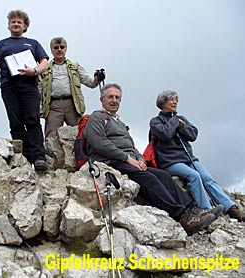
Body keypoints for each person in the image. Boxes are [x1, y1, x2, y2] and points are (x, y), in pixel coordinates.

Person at [84, 83, 221, 235]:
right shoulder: (97, 117)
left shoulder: (120, 123)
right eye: (110, 97)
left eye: (117, 98)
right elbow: (99, 143)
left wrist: (140, 160)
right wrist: (127, 158)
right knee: (148, 178)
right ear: (102, 99)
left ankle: (193, 210)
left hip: (127, 160)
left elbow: (131, 146)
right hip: (111, 161)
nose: (114, 100)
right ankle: (182, 216)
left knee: (163, 175)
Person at [149, 90, 245, 221]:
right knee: (194, 176)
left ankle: (232, 208)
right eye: (171, 99)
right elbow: (165, 134)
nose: (175, 102)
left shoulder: (181, 119)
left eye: (176, 99)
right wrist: (175, 121)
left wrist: (180, 125)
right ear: (163, 102)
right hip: (170, 161)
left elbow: (193, 134)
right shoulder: (155, 121)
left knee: (208, 178)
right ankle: (206, 210)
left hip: (189, 158)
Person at [0, 10, 49, 170]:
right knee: (15, 122)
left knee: (32, 120)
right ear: (9, 25)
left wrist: (35, 71)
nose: (16, 24)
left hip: (29, 85)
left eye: (19, 22)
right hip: (8, 86)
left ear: (25, 26)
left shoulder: (33, 43)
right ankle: (23, 158)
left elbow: (44, 62)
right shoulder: (1, 44)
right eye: (13, 22)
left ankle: (39, 157)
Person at [39, 37, 103, 138]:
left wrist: (97, 78)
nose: (59, 49)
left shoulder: (74, 66)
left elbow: (90, 82)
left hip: (73, 104)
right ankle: (50, 154)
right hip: (53, 105)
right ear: (51, 50)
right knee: (51, 135)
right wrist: (39, 105)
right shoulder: (45, 68)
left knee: (79, 132)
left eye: (62, 47)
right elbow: (39, 88)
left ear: (66, 49)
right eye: (56, 47)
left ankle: (80, 153)